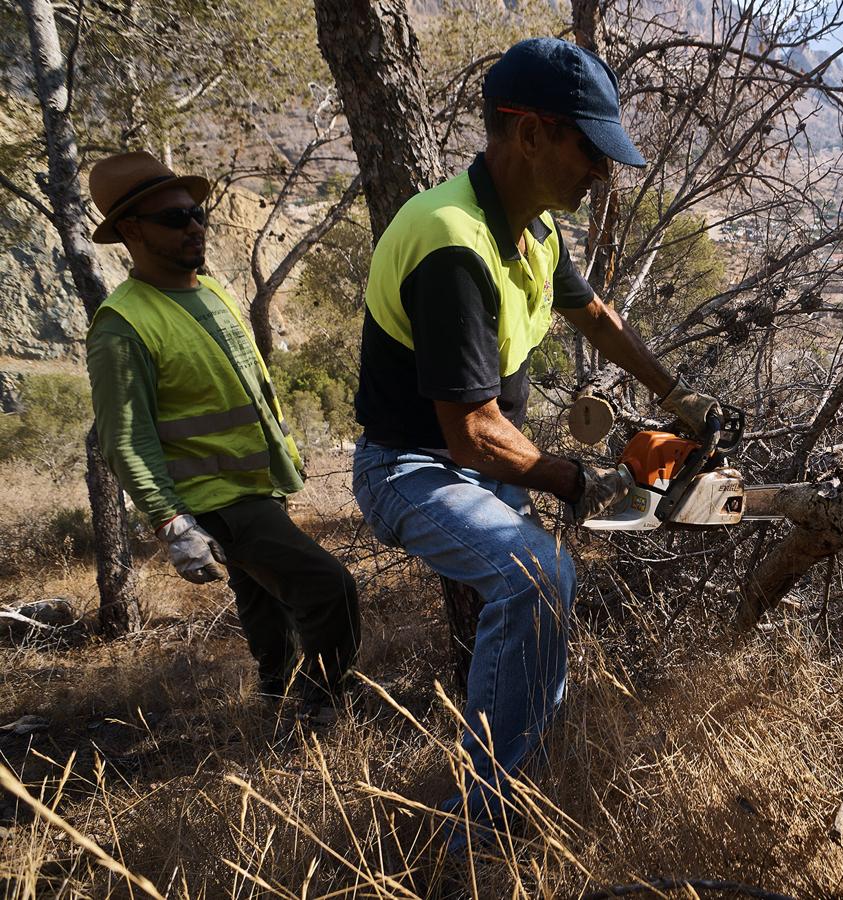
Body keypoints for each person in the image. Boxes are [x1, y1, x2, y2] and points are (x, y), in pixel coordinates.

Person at [351, 37, 722, 844]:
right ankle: (479, 827)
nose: (602, 171)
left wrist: (676, 396)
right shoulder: (452, 243)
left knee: (524, 599)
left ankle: (511, 764)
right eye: (589, 149)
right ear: (528, 135)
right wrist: (584, 482)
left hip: (476, 458)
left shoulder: (535, 229)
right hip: (411, 468)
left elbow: (595, 315)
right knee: (537, 577)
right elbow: (474, 433)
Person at [85, 151, 361, 723]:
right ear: (131, 231)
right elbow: (124, 439)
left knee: (264, 605)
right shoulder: (123, 324)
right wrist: (172, 522)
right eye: (174, 218)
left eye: (197, 213)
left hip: (256, 486)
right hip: (216, 501)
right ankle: (322, 709)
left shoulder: (210, 290)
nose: (194, 226)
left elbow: (253, 390)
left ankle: (274, 701)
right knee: (328, 587)